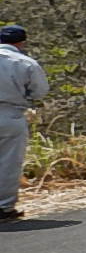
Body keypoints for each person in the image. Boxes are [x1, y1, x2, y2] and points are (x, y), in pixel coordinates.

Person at [0, 25, 48, 221]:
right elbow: (40, 91)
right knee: (8, 162)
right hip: (10, 114)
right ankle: (4, 207)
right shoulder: (26, 62)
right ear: (21, 43)